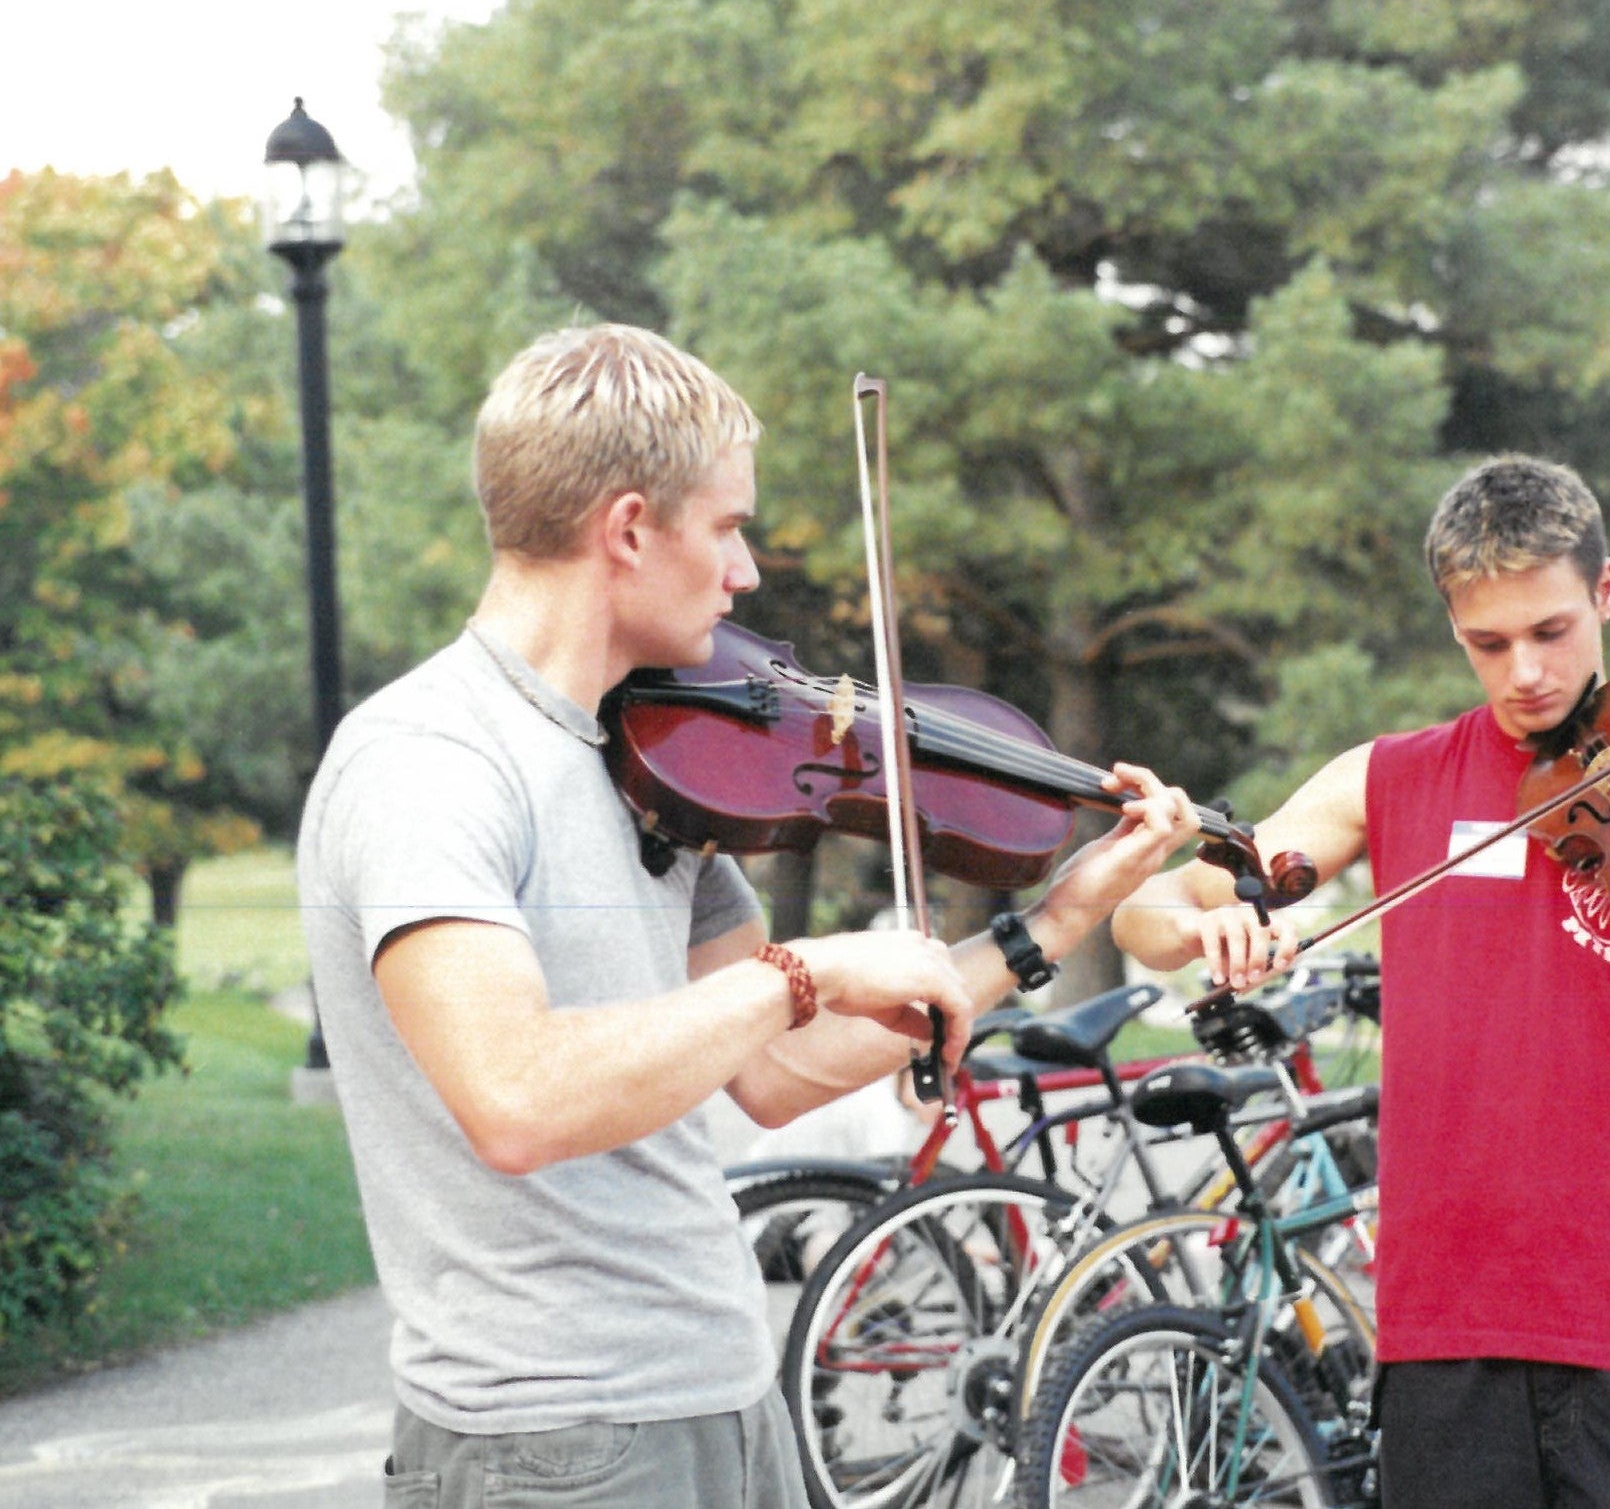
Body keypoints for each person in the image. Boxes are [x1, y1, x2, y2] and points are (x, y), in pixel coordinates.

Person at [297, 323, 1203, 1508]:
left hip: (722, 1395)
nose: (747, 574)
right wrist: (801, 972)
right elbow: (516, 1099)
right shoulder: (430, 763)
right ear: (629, 529)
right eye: (727, 528)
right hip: (552, 1442)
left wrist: (1049, 924)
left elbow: (775, 1072)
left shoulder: (647, 757)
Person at [1111, 454, 1610, 1509]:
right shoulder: (1392, 779)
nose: (1526, 674)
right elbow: (1144, 911)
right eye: (1488, 643)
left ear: (1605, 592)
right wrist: (1209, 925)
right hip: (1446, 1321)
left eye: (1551, 630)